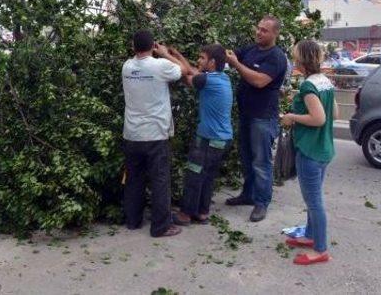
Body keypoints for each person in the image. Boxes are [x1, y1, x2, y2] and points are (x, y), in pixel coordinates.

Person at [122, 30, 186, 238]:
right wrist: (166, 53)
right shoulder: (160, 66)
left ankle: (133, 220)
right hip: (155, 134)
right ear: (152, 47)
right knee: (159, 180)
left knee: (134, 179)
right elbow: (184, 70)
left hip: (132, 134)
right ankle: (160, 226)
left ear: (133, 47)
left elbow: (139, 56)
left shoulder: (127, 67)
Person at [225, 15, 288, 222]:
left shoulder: (276, 57)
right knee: (246, 158)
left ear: (275, 34)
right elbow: (232, 55)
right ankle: (248, 194)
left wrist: (236, 64)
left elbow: (259, 81)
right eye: (258, 28)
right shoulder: (251, 49)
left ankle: (262, 203)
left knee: (261, 162)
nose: (259, 33)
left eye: (264, 30)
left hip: (263, 117)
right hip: (245, 113)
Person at [281, 40, 338, 265]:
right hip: (324, 149)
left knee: (314, 201)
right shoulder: (325, 82)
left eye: (295, 57)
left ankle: (321, 249)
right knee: (314, 198)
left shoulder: (308, 86)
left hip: (310, 150)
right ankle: (310, 235)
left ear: (301, 60)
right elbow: (332, 112)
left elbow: (319, 118)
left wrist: (292, 117)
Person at [169, 44, 233, 226]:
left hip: (209, 139)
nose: (199, 60)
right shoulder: (222, 78)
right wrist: (179, 54)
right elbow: (192, 72)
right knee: (207, 176)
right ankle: (202, 212)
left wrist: (166, 55)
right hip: (223, 140)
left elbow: (186, 73)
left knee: (194, 174)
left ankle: (185, 215)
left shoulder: (207, 81)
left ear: (212, 62)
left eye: (202, 58)